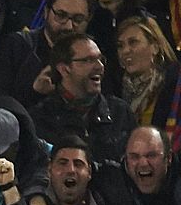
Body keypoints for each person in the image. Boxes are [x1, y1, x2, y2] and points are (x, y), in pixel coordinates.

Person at [0, 0, 93, 109]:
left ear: (88, 19)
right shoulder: (16, 47)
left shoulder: (93, 57)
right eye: (61, 16)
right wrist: (34, 93)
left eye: (78, 19)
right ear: (46, 12)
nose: (68, 26)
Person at [29, 33, 136, 165]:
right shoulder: (41, 119)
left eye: (100, 59)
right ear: (64, 69)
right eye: (88, 60)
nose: (100, 66)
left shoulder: (119, 111)